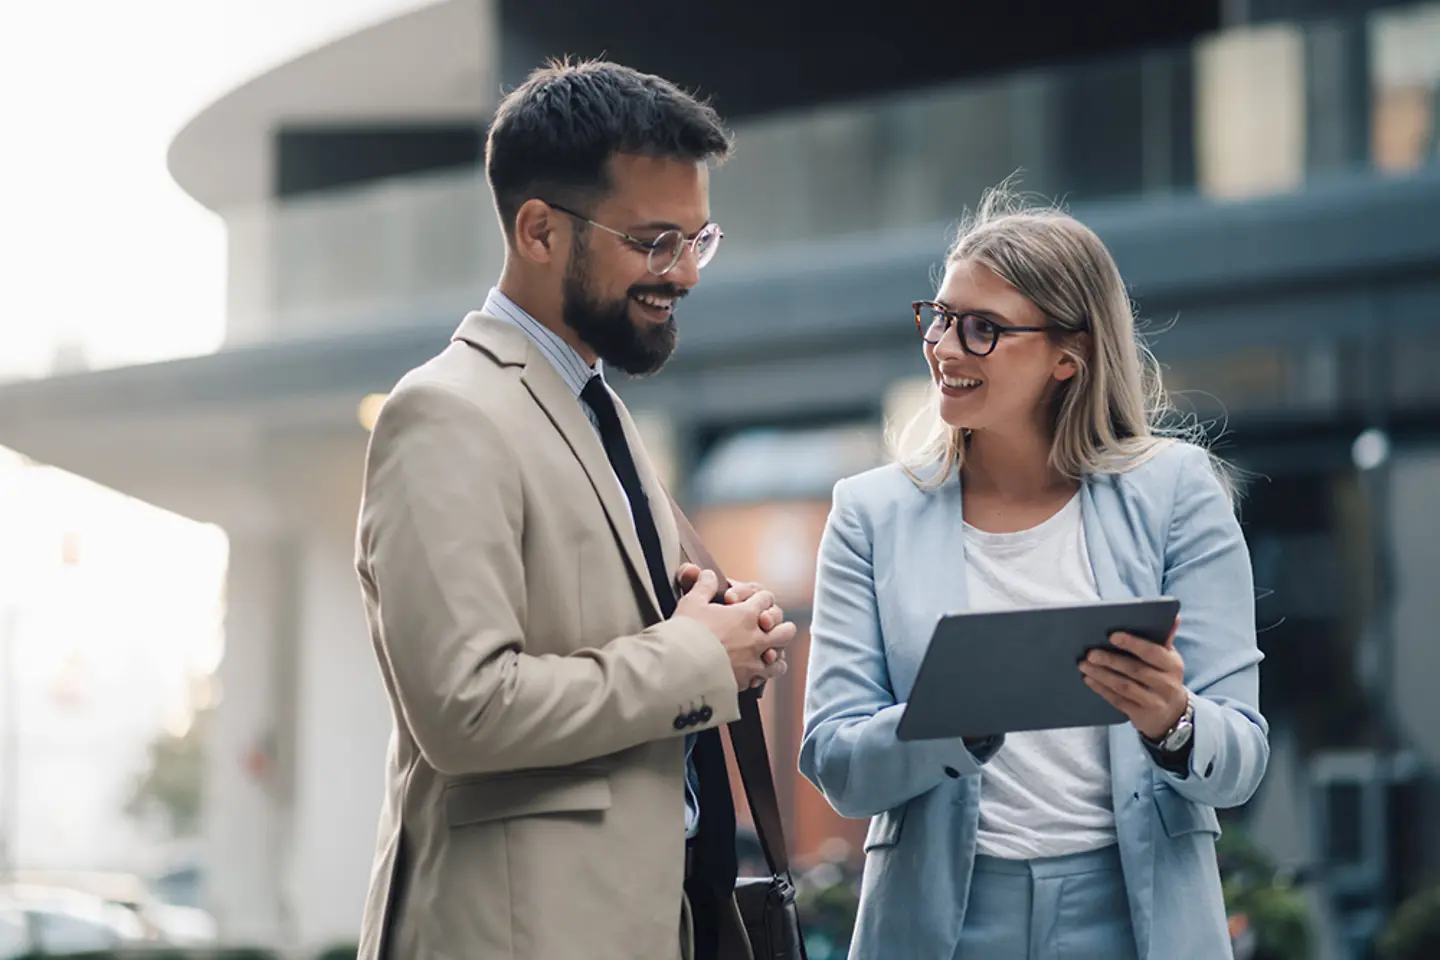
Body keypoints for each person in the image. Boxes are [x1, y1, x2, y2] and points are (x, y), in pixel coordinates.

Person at [353, 58, 796, 960]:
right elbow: (465, 711)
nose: (685, 275)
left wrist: (726, 627)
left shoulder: (600, 411)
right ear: (539, 230)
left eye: (698, 241)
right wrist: (695, 659)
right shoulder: (444, 413)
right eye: (654, 241)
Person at [798, 188, 1269, 959]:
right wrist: (957, 714)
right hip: (940, 921)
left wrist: (1173, 722)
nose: (945, 348)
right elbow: (838, 764)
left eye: (982, 328)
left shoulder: (1178, 493)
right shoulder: (870, 513)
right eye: (940, 317)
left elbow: (1241, 759)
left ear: (1068, 356)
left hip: (1134, 915)